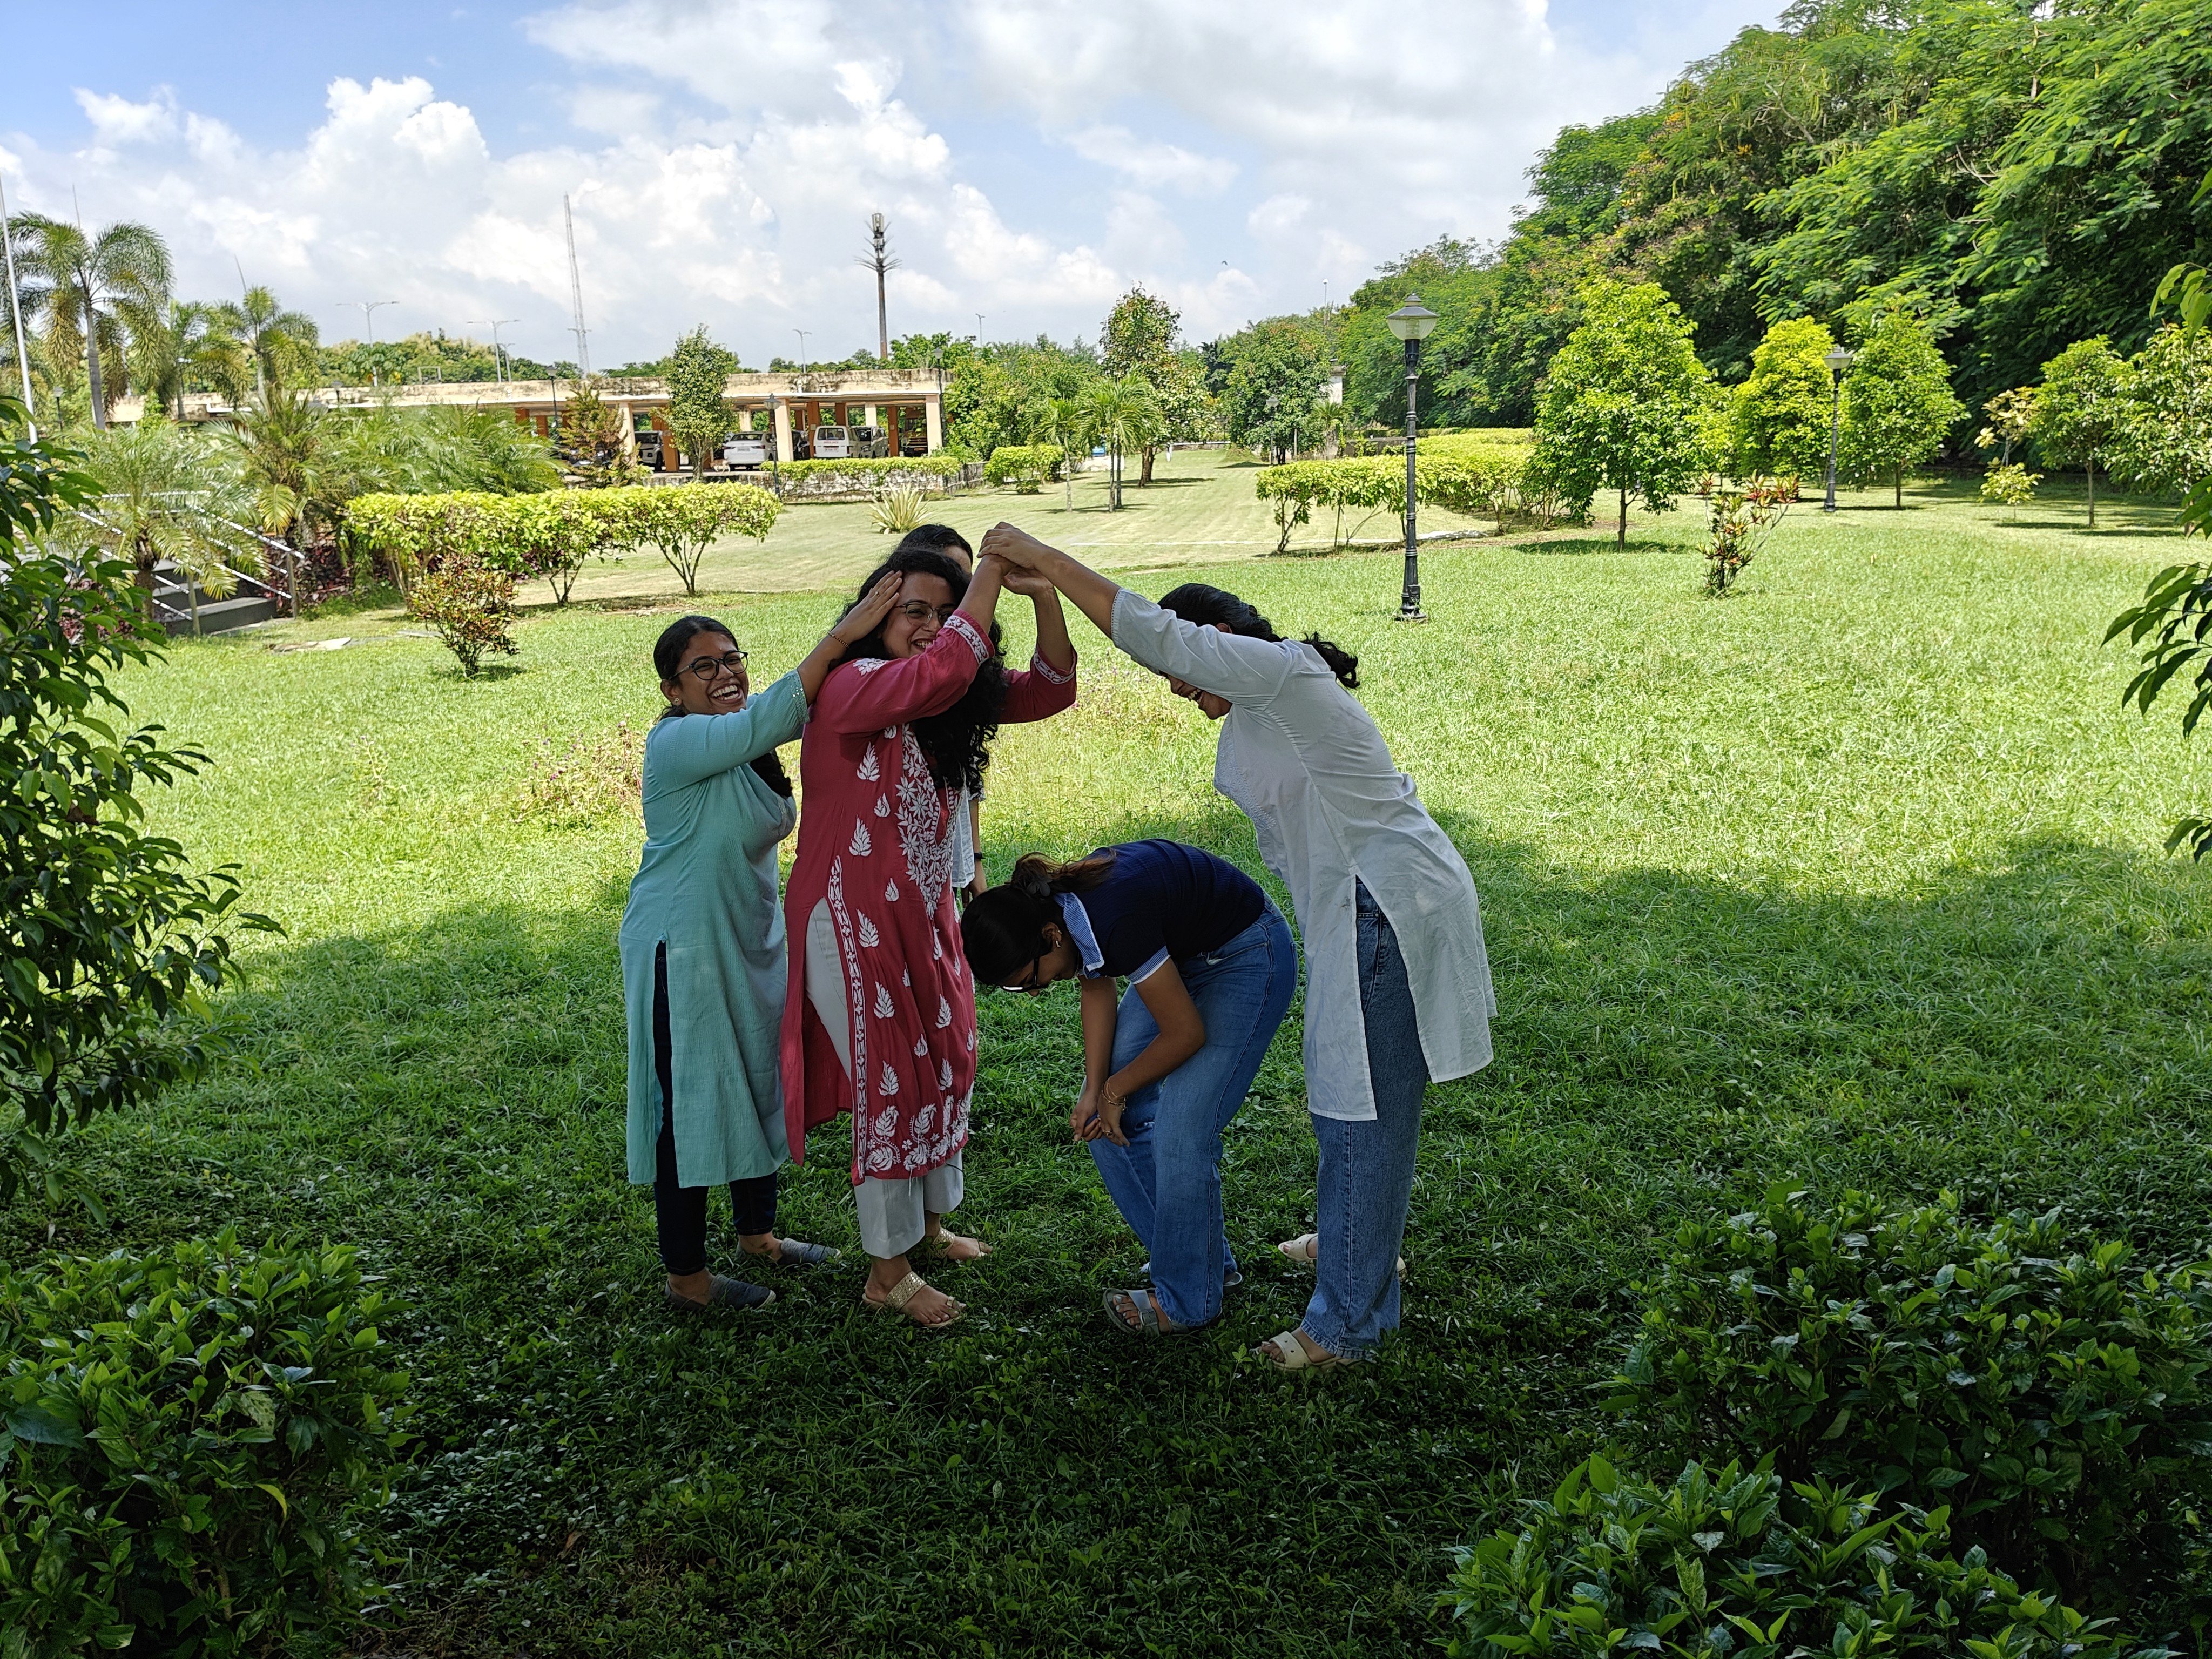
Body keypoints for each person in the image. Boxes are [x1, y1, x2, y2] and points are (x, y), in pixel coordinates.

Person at [977, 524, 1495, 1370]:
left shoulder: (1283, 670)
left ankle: (1347, 1326)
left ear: (1217, 643)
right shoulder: (1262, 708)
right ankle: (1354, 1243)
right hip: (1345, 910)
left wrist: (1049, 564)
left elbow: (1154, 631)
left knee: (1362, 1112)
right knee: (1349, 1103)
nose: (1179, 687)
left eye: (1184, 668)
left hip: (1384, 902)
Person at [780, 546, 1077, 1327]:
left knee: (947, 1062)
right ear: (875, 612)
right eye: (913, 609)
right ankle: (888, 1271)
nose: (932, 627)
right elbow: (941, 671)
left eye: (946, 615)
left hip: (922, 916)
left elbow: (1051, 690)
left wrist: (1043, 595)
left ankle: (932, 1228)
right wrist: (986, 572)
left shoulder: (947, 703)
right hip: (848, 922)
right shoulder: (850, 685)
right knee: (891, 1082)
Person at [621, 586, 899, 1312]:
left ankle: (758, 1237)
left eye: (732, 658)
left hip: (747, 940)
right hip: (682, 945)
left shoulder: (748, 742)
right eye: (703, 667)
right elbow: (784, 709)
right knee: (691, 1102)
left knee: (751, 1079)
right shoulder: (679, 742)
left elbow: (789, 722)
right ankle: (688, 1278)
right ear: (672, 690)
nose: (725, 674)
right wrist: (843, 635)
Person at [960, 841, 1297, 1336]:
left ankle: (1188, 1301)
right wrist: (1096, 1089)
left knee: (1183, 1134)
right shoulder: (1061, 915)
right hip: (1179, 958)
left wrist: (1116, 1090)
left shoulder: (1115, 917)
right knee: (1101, 1119)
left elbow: (1185, 1033)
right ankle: (1203, 1266)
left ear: (1051, 937)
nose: (1031, 992)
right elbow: (1096, 982)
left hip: (1246, 954)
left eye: (1028, 980)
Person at [894, 524, 990, 905]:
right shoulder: (875, 679)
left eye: (966, 579)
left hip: (948, 863)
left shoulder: (966, 674)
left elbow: (967, 772)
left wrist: (974, 860)